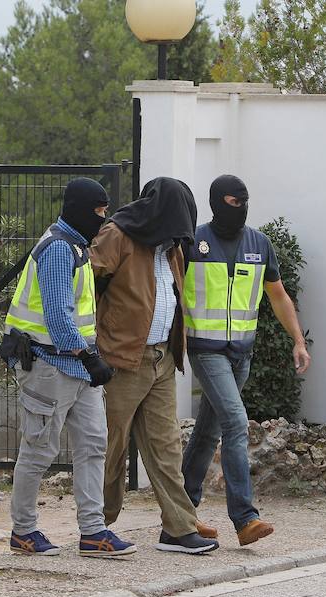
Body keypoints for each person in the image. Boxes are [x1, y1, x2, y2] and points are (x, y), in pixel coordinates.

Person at [3, 178, 135, 557]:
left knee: (93, 445)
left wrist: (88, 359)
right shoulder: (59, 250)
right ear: (79, 208)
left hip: (76, 368)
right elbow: (59, 319)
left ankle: (93, 532)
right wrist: (90, 357)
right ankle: (23, 531)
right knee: (39, 450)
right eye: (98, 211)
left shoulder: (77, 246)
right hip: (48, 365)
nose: (104, 218)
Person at [90, 177, 219, 554]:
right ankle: (97, 524)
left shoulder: (173, 247)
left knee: (167, 447)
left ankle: (178, 529)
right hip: (121, 360)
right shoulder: (117, 236)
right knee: (110, 448)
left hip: (162, 357)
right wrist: (93, 344)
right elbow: (85, 286)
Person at [181, 175, 311, 545]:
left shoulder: (259, 243)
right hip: (205, 350)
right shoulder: (195, 242)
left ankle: (180, 514)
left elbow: (278, 295)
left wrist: (298, 340)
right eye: (233, 202)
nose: (240, 208)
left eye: (245, 201)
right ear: (216, 203)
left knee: (208, 432)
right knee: (236, 424)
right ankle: (244, 518)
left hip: (242, 354)